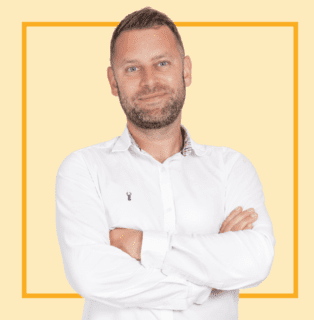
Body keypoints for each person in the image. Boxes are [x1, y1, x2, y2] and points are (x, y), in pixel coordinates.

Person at [55, 6, 276, 320]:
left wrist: (142, 245)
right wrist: (205, 280)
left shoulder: (231, 168)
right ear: (113, 80)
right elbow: (91, 274)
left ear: (186, 70)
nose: (149, 81)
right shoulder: (83, 169)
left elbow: (255, 260)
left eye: (162, 63)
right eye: (132, 68)